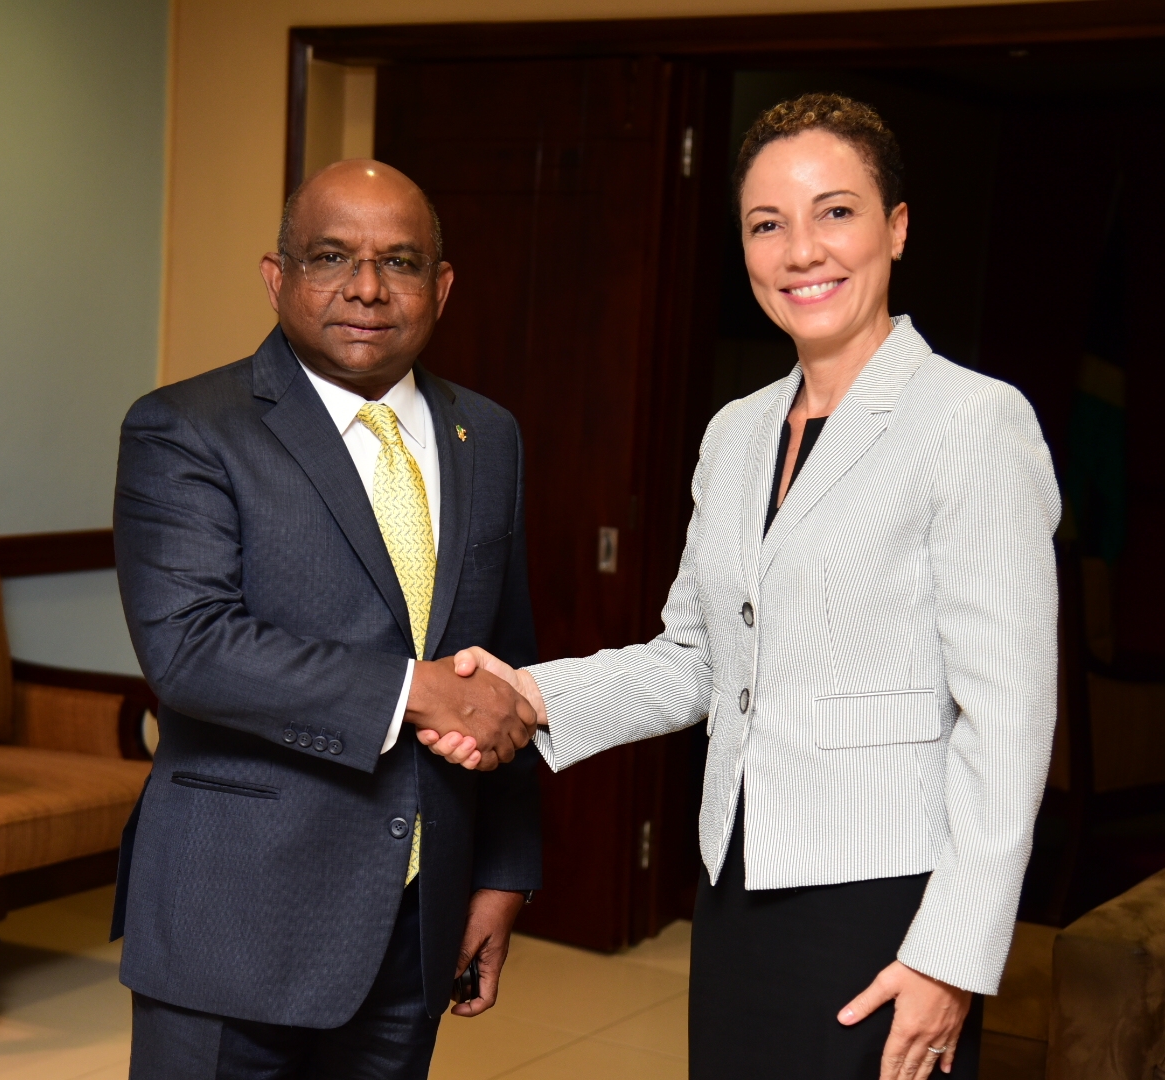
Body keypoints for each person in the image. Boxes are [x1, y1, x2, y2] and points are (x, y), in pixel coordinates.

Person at [427, 93, 1060, 1079]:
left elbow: (1010, 716)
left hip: (885, 896)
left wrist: (952, 956)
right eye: (768, 224)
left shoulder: (974, 421)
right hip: (737, 883)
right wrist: (525, 692)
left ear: (896, 227)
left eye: (836, 212)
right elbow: (693, 662)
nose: (801, 249)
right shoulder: (735, 433)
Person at [111, 159, 543, 1080]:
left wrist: (503, 873)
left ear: (442, 285)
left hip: (417, 919)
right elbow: (190, 647)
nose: (366, 289)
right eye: (331, 257)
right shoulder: (186, 427)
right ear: (278, 276)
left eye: (400, 261)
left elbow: (505, 666)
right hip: (233, 921)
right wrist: (415, 693)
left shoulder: (489, 435)